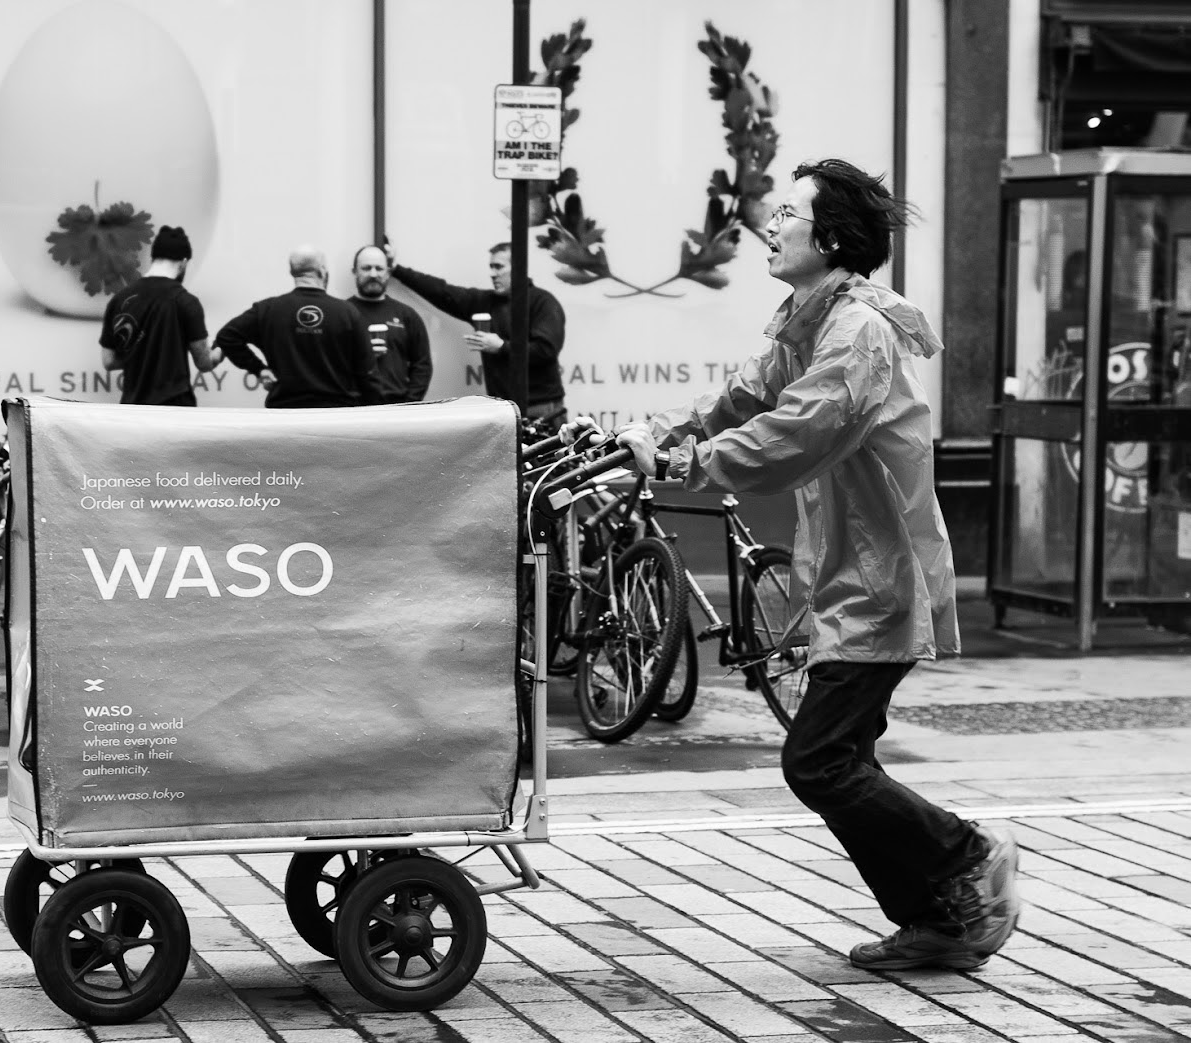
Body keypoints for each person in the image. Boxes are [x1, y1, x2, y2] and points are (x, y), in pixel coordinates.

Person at [580, 159, 1019, 972]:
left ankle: (963, 858)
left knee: (816, 761)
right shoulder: (807, 320)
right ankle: (940, 920)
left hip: (881, 581)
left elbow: (798, 430)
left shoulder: (858, 333)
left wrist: (681, 468)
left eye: (788, 211)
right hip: (847, 575)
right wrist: (660, 435)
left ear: (831, 236)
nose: (771, 224)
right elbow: (744, 400)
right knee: (842, 763)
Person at [388, 242, 566, 421]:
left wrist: (502, 347)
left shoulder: (543, 302)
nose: (492, 273)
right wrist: (396, 269)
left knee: (551, 451)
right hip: (506, 411)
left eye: (499, 267)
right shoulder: (485, 302)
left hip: (542, 407)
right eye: (491, 267)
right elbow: (442, 292)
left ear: (519, 267)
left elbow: (546, 350)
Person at [215, 245, 380, 409]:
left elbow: (227, 337)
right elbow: (367, 373)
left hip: (286, 414)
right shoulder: (347, 312)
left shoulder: (267, 310)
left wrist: (259, 369)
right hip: (336, 414)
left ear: (293, 272)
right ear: (322, 271)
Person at [99, 226, 220, 406]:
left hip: (132, 411)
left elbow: (109, 361)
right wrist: (223, 347)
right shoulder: (186, 302)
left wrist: (142, 354)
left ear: (153, 259)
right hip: (175, 410)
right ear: (183, 262)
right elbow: (204, 362)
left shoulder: (119, 300)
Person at [349, 245, 432, 403]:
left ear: (387, 272)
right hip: (353, 410)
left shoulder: (407, 315)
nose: (373, 274)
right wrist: (362, 356)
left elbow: (422, 365)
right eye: (366, 268)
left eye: (379, 268)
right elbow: (331, 365)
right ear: (354, 272)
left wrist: (410, 404)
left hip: (398, 409)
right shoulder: (342, 314)